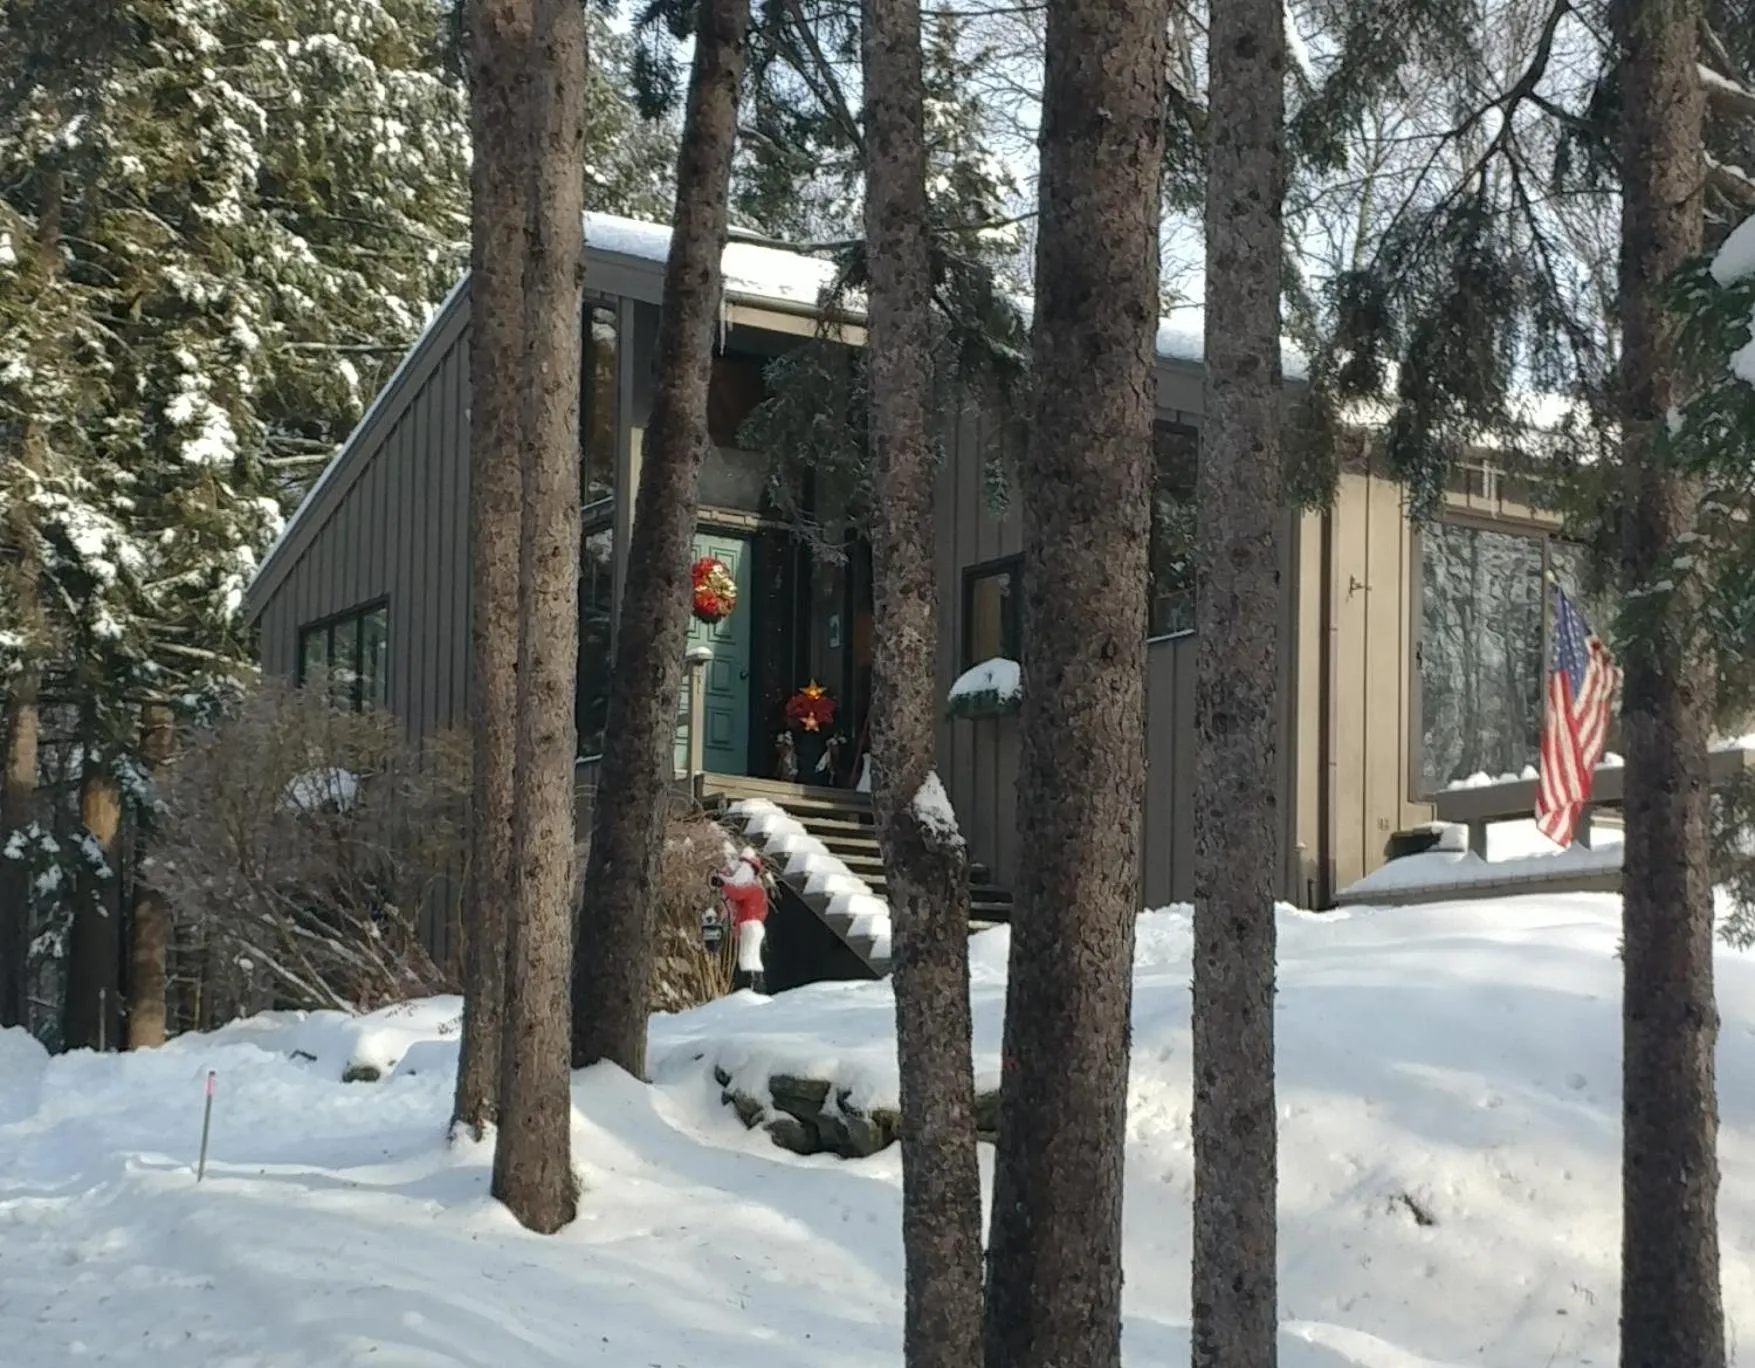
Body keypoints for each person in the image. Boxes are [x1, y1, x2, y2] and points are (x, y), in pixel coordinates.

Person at [711, 849, 770, 994]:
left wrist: (723, 884)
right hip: (755, 925)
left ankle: (751, 988)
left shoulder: (750, 885)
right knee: (752, 955)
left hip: (749, 925)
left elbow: (737, 893)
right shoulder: (758, 888)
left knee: (747, 956)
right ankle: (756, 986)